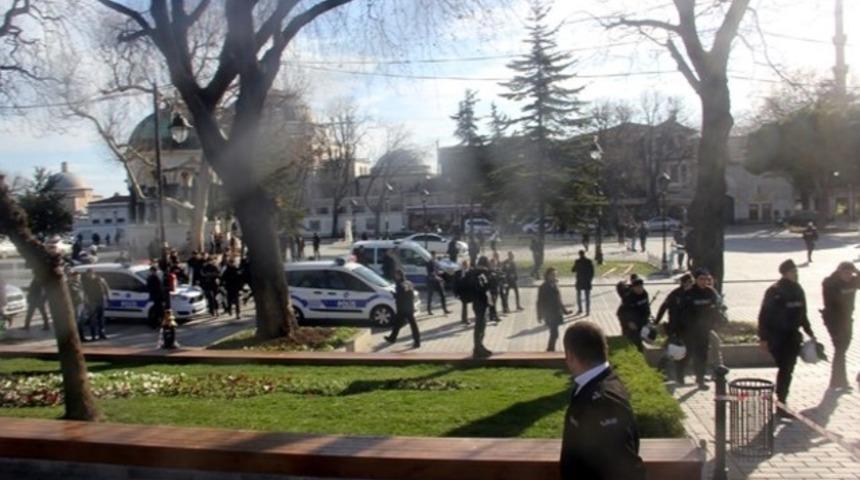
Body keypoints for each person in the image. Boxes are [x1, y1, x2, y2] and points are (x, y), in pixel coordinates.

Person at [560, 322, 646, 480]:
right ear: (604, 349)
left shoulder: (603, 403)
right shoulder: (603, 381)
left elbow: (627, 468)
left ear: (570, 355)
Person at [758, 259, 816, 417]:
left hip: (792, 336)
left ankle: (781, 402)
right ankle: (781, 401)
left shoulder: (798, 289)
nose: (796, 274)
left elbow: (803, 313)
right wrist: (763, 338)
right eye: (793, 272)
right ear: (785, 273)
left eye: (796, 271)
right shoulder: (774, 291)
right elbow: (764, 315)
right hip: (777, 336)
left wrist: (810, 333)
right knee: (785, 369)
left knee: (787, 369)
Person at [678, 269, 721, 389]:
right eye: (701, 279)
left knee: (702, 355)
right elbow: (683, 312)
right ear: (696, 280)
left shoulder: (710, 292)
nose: (704, 282)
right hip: (690, 330)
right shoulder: (689, 293)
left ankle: (700, 379)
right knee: (688, 353)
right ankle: (680, 373)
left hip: (704, 330)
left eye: (706, 279)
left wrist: (713, 323)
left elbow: (715, 309)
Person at [821, 261, 860, 390]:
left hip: (847, 320)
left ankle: (837, 381)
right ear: (839, 272)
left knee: (842, 350)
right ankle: (838, 381)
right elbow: (830, 306)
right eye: (845, 273)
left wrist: (856, 270)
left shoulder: (853, 281)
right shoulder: (831, 284)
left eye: (850, 273)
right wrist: (835, 327)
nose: (848, 276)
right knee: (840, 349)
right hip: (834, 320)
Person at [654, 274, 694, 382]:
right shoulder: (675, 294)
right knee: (671, 352)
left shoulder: (693, 293)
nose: (691, 284)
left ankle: (680, 376)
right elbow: (664, 306)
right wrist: (657, 321)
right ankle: (660, 372)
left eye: (692, 282)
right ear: (684, 282)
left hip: (688, 329)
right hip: (675, 327)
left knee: (687, 352)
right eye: (689, 282)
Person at [384, 269, 420, 348]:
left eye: (396, 275)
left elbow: (400, 296)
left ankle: (417, 342)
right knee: (402, 324)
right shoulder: (408, 282)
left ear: (399, 276)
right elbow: (411, 295)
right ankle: (392, 338)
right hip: (409, 307)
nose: (395, 276)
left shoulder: (400, 285)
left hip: (403, 308)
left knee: (408, 324)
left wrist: (393, 294)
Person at [537, 267, 570, 352]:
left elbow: (559, 300)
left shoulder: (555, 285)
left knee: (554, 334)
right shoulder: (543, 287)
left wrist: (565, 311)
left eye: (555, 275)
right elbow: (539, 302)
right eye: (552, 275)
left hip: (556, 312)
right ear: (547, 275)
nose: (554, 276)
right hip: (549, 313)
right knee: (554, 333)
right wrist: (540, 315)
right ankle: (550, 350)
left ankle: (550, 349)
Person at [616, 277, 650, 352]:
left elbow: (646, 308)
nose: (640, 289)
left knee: (643, 336)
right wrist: (629, 322)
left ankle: (640, 351)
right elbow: (622, 313)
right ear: (633, 288)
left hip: (640, 318)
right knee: (630, 338)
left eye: (641, 287)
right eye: (637, 287)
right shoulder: (628, 297)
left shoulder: (644, 294)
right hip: (629, 321)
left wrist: (646, 319)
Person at [469, 256, 493, 357]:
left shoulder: (475, 272)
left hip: (477, 302)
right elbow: (483, 287)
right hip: (481, 302)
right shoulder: (481, 273)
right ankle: (478, 348)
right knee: (480, 326)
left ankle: (479, 347)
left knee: (480, 326)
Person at [82, 268, 109, 340]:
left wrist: (107, 297)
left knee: (101, 319)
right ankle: (93, 335)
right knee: (92, 319)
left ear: (93, 273)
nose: (89, 275)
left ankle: (102, 334)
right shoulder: (85, 281)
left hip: (100, 300)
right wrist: (86, 300)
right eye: (88, 274)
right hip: (92, 301)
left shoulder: (100, 279)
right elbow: (84, 292)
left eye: (90, 273)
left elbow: (106, 288)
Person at [425, 251, 449, 316]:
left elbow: (437, 270)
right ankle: (429, 310)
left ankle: (445, 309)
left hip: (437, 281)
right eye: (433, 255)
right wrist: (438, 277)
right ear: (431, 255)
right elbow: (430, 273)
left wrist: (440, 272)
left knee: (443, 295)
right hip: (431, 282)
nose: (434, 256)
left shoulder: (436, 262)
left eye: (435, 255)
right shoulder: (429, 263)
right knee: (430, 296)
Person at [572, 250, 595, 316]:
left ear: (579, 254)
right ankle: (587, 311)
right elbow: (592, 271)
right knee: (587, 297)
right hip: (587, 281)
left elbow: (573, 270)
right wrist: (590, 279)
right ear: (584, 254)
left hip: (580, 281)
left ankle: (580, 309)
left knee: (579, 296)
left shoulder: (577, 261)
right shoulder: (589, 261)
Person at [67, 271, 87, 342]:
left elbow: (83, 293)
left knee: (82, 321)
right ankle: (76, 338)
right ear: (72, 277)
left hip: (81, 304)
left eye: (79, 276)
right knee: (76, 322)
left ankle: (82, 337)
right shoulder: (70, 284)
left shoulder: (80, 283)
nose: (78, 278)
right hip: (75, 305)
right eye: (76, 276)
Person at [453, 260, 472, 325]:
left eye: (466, 265)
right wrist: (456, 294)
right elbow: (455, 284)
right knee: (464, 305)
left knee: (467, 305)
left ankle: (464, 318)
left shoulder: (471, 272)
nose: (465, 266)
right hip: (462, 292)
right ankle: (465, 319)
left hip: (469, 292)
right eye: (464, 265)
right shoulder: (457, 273)